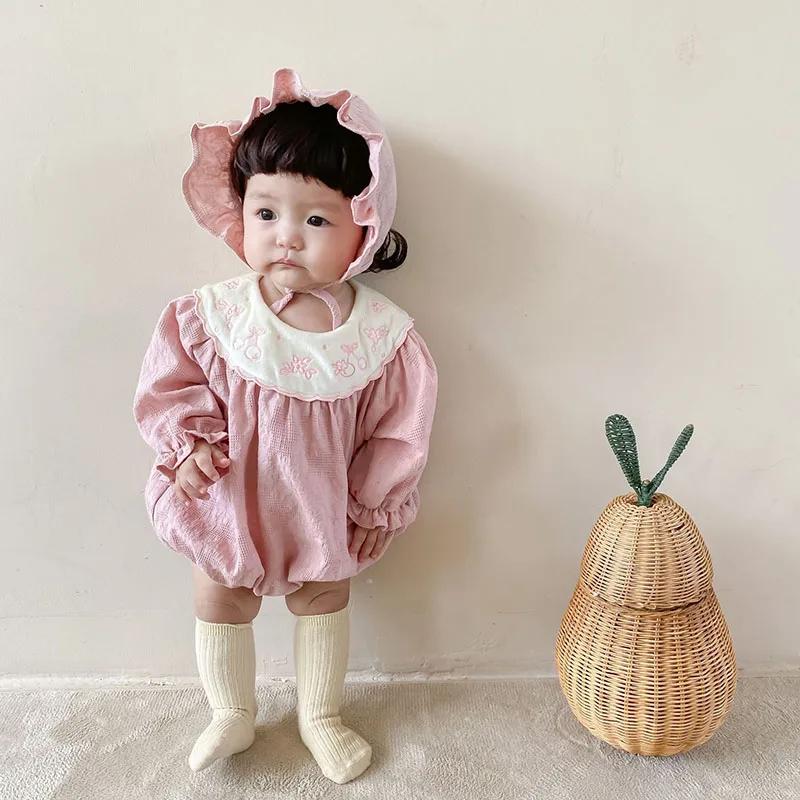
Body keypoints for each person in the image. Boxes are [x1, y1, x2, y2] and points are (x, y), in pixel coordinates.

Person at [133, 68, 438, 784]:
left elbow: (399, 429)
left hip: (320, 504)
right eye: (266, 213)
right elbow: (170, 382)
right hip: (229, 497)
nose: (287, 239)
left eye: (316, 221)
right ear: (240, 210)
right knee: (220, 594)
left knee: (324, 597)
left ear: (364, 226)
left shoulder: (379, 336)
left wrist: (376, 501)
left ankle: (320, 715)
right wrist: (188, 446)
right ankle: (230, 711)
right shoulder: (213, 316)